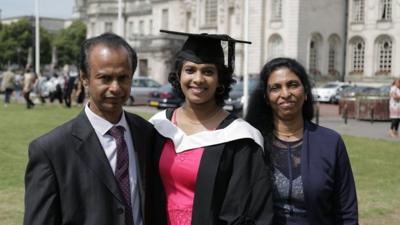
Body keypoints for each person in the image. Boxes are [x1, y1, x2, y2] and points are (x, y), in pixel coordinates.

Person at [24, 33, 155, 225]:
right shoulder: (51, 151)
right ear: (85, 78)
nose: (115, 87)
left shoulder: (147, 133)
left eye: (123, 78)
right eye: (105, 78)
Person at [149, 30, 273, 225]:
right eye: (190, 70)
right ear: (178, 75)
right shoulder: (158, 126)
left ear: (219, 80)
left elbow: (248, 209)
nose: (198, 79)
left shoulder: (241, 139)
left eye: (208, 71)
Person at [245, 57, 358, 225]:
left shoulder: (330, 142)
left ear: (305, 92)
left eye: (292, 85)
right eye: (275, 88)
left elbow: (346, 211)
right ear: (267, 98)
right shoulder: (253, 143)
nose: (285, 94)